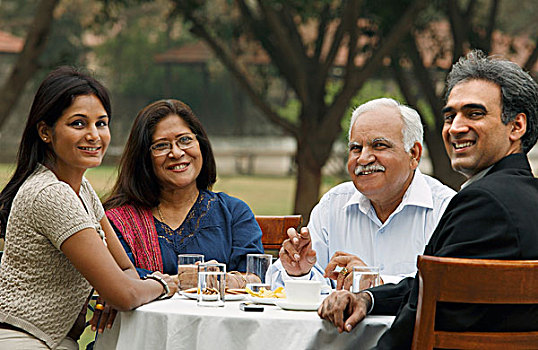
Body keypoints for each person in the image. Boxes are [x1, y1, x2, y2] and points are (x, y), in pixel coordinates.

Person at [318, 50, 538, 349]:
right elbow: (431, 286)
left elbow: (428, 312)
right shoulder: (522, 197)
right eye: (450, 116)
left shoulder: (483, 203)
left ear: (517, 126)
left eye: (474, 113)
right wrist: (368, 298)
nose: (455, 127)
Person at [0, 67, 178, 350]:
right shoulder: (50, 193)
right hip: (22, 339)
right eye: (79, 124)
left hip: (56, 341)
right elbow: (125, 293)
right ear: (46, 131)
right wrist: (169, 283)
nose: (94, 135)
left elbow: (125, 272)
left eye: (102, 123)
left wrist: (119, 289)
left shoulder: (81, 190)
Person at [268, 98, 455, 289]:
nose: (363, 159)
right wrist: (299, 273)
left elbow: (451, 287)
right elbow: (281, 283)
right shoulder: (333, 205)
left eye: (379, 145)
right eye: (356, 148)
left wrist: (376, 283)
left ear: (414, 154)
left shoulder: (446, 209)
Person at [103, 99, 264, 289]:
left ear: (201, 145)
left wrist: (224, 279)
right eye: (162, 145)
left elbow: (256, 277)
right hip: (148, 319)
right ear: (144, 158)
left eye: (185, 140)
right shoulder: (120, 221)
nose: (177, 153)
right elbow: (119, 278)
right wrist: (185, 281)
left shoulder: (233, 213)